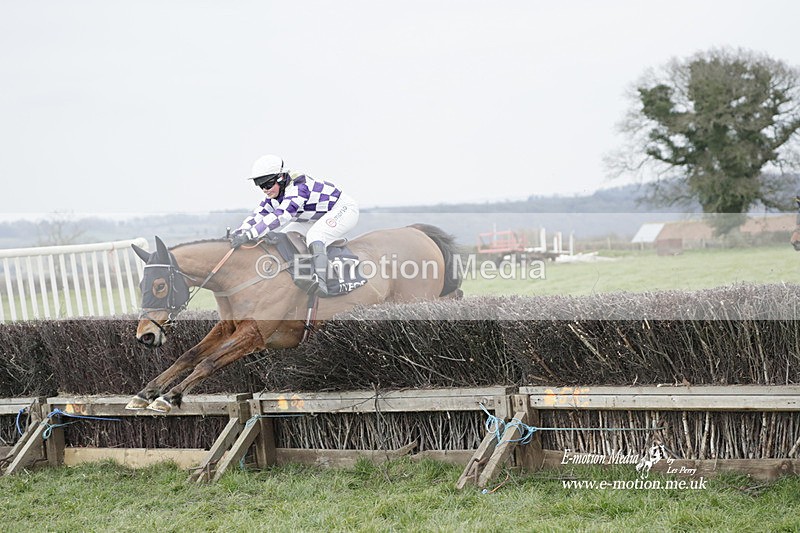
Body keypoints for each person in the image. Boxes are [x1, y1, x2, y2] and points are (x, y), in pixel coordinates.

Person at [231, 154, 359, 296]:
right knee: (285, 235)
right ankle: (303, 273)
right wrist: (239, 233)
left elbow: (281, 215)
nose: (265, 190)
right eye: (260, 185)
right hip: (316, 217)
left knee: (315, 236)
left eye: (267, 184)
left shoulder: (299, 187)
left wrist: (250, 234)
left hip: (343, 209)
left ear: (281, 178)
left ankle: (322, 282)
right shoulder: (274, 194)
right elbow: (258, 216)